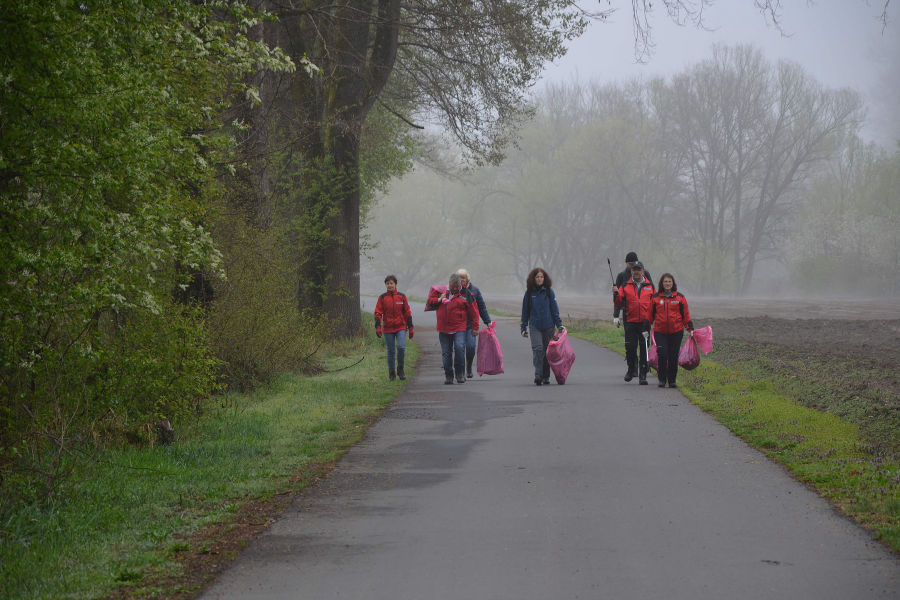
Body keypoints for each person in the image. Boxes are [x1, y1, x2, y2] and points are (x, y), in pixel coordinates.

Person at [427, 273, 479, 384]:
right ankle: (449, 375)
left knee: (460, 348)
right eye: (452, 286)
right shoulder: (440, 291)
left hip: (459, 327)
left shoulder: (467, 294)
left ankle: (460, 373)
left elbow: (474, 312)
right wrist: (439, 299)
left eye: (457, 286)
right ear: (449, 284)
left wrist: (475, 327)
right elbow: (430, 302)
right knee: (446, 353)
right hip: (443, 328)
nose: (455, 289)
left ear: (461, 284)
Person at [520, 268, 565, 386]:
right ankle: (538, 375)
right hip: (535, 326)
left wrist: (559, 324)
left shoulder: (549, 292)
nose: (540, 279)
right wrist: (523, 328)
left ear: (544, 279)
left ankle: (546, 376)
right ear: (533, 279)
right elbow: (525, 312)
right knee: (538, 349)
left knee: (547, 352)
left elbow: (555, 310)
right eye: (537, 277)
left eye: (541, 277)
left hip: (549, 327)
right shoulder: (529, 293)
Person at [613, 261, 656, 385]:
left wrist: (654, 319)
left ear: (643, 271)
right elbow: (618, 302)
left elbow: (655, 303)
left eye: (638, 269)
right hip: (630, 321)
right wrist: (616, 294)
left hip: (645, 322)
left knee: (644, 348)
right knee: (630, 348)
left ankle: (643, 375)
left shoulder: (650, 286)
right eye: (634, 270)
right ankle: (631, 369)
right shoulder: (625, 285)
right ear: (631, 271)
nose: (636, 272)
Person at [650, 273, 693, 388]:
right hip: (660, 332)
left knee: (673, 356)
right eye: (665, 281)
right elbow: (650, 315)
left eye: (669, 281)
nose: (667, 284)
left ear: (673, 283)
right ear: (661, 284)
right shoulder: (655, 298)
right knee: (662, 354)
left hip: (676, 332)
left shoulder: (680, 297)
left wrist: (690, 329)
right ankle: (662, 379)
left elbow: (686, 315)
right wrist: (645, 328)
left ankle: (672, 380)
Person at [374, 275, 414, 381]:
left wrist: (411, 327)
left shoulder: (402, 296)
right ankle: (391, 373)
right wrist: (378, 326)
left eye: (391, 283)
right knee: (391, 351)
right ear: (385, 285)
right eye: (387, 283)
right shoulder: (382, 298)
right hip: (388, 329)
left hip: (401, 327)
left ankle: (400, 370)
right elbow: (378, 312)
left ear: (395, 284)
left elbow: (407, 312)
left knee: (401, 347)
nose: (389, 285)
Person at [457, 268, 492, 378]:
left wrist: (488, 321)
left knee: (471, 347)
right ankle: (461, 371)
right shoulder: (454, 290)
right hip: (457, 325)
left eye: (463, 278)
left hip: (471, 325)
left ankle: (468, 366)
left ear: (467, 279)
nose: (461, 280)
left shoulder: (475, 290)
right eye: (459, 278)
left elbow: (482, 307)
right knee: (459, 347)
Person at [613, 251, 652, 328]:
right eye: (629, 264)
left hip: (644, 314)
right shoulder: (621, 276)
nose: (631, 266)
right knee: (630, 339)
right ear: (626, 263)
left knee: (644, 339)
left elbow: (652, 292)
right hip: (628, 314)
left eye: (633, 263)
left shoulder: (645, 274)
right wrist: (616, 316)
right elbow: (616, 297)